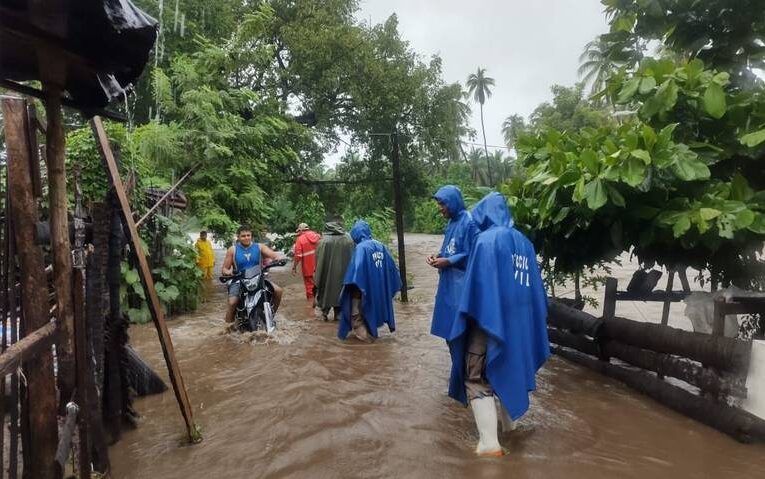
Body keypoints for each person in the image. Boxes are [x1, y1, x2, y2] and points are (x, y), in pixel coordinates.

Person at [447, 192, 550, 457]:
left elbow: (476, 292)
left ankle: (489, 444)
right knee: (507, 368)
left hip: (489, 322)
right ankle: (511, 430)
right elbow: (536, 293)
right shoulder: (525, 244)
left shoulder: (486, 241)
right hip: (519, 325)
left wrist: (461, 324)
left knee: (476, 377)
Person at [428, 185, 479, 340]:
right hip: (448, 285)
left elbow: (474, 254)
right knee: (449, 332)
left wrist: (449, 261)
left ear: (453, 202)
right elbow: (450, 249)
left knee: (459, 333)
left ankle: (460, 365)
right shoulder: (451, 223)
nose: (440, 208)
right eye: (439, 204)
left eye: (443, 204)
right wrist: (437, 256)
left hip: (461, 287)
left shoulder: (469, 222)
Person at [337, 219, 401, 342]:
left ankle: (368, 342)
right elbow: (392, 269)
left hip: (362, 292)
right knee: (370, 313)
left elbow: (355, 275)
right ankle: (371, 337)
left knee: (356, 317)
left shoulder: (361, 248)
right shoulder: (380, 245)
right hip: (378, 291)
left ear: (355, 234)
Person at [222, 225, 285, 324]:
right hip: (239, 280)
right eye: (243, 236)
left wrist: (278, 258)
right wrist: (229, 272)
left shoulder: (259, 247)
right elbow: (225, 269)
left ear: (251, 236)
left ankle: (271, 315)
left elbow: (273, 254)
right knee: (232, 302)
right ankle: (227, 328)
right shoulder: (232, 250)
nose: (246, 238)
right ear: (238, 237)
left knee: (278, 291)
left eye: (248, 235)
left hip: (258, 278)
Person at [314, 217, 355, 321]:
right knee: (340, 295)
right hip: (343, 276)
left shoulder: (323, 241)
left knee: (325, 293)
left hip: (327, 276)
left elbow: (319, 261)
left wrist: (317, 277)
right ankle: (338, 315)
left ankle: (324, 313)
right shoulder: (349, 239)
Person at [292, 222, 321, 302]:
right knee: (322, 287)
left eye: (299, 231)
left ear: (301, 231)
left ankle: (310, 310)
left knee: (310, 289)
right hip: (320, 266)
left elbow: (298, 256)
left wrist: (294, 267)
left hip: (308, 268)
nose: (298, 233)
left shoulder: (300, 239)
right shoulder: (318, 236)